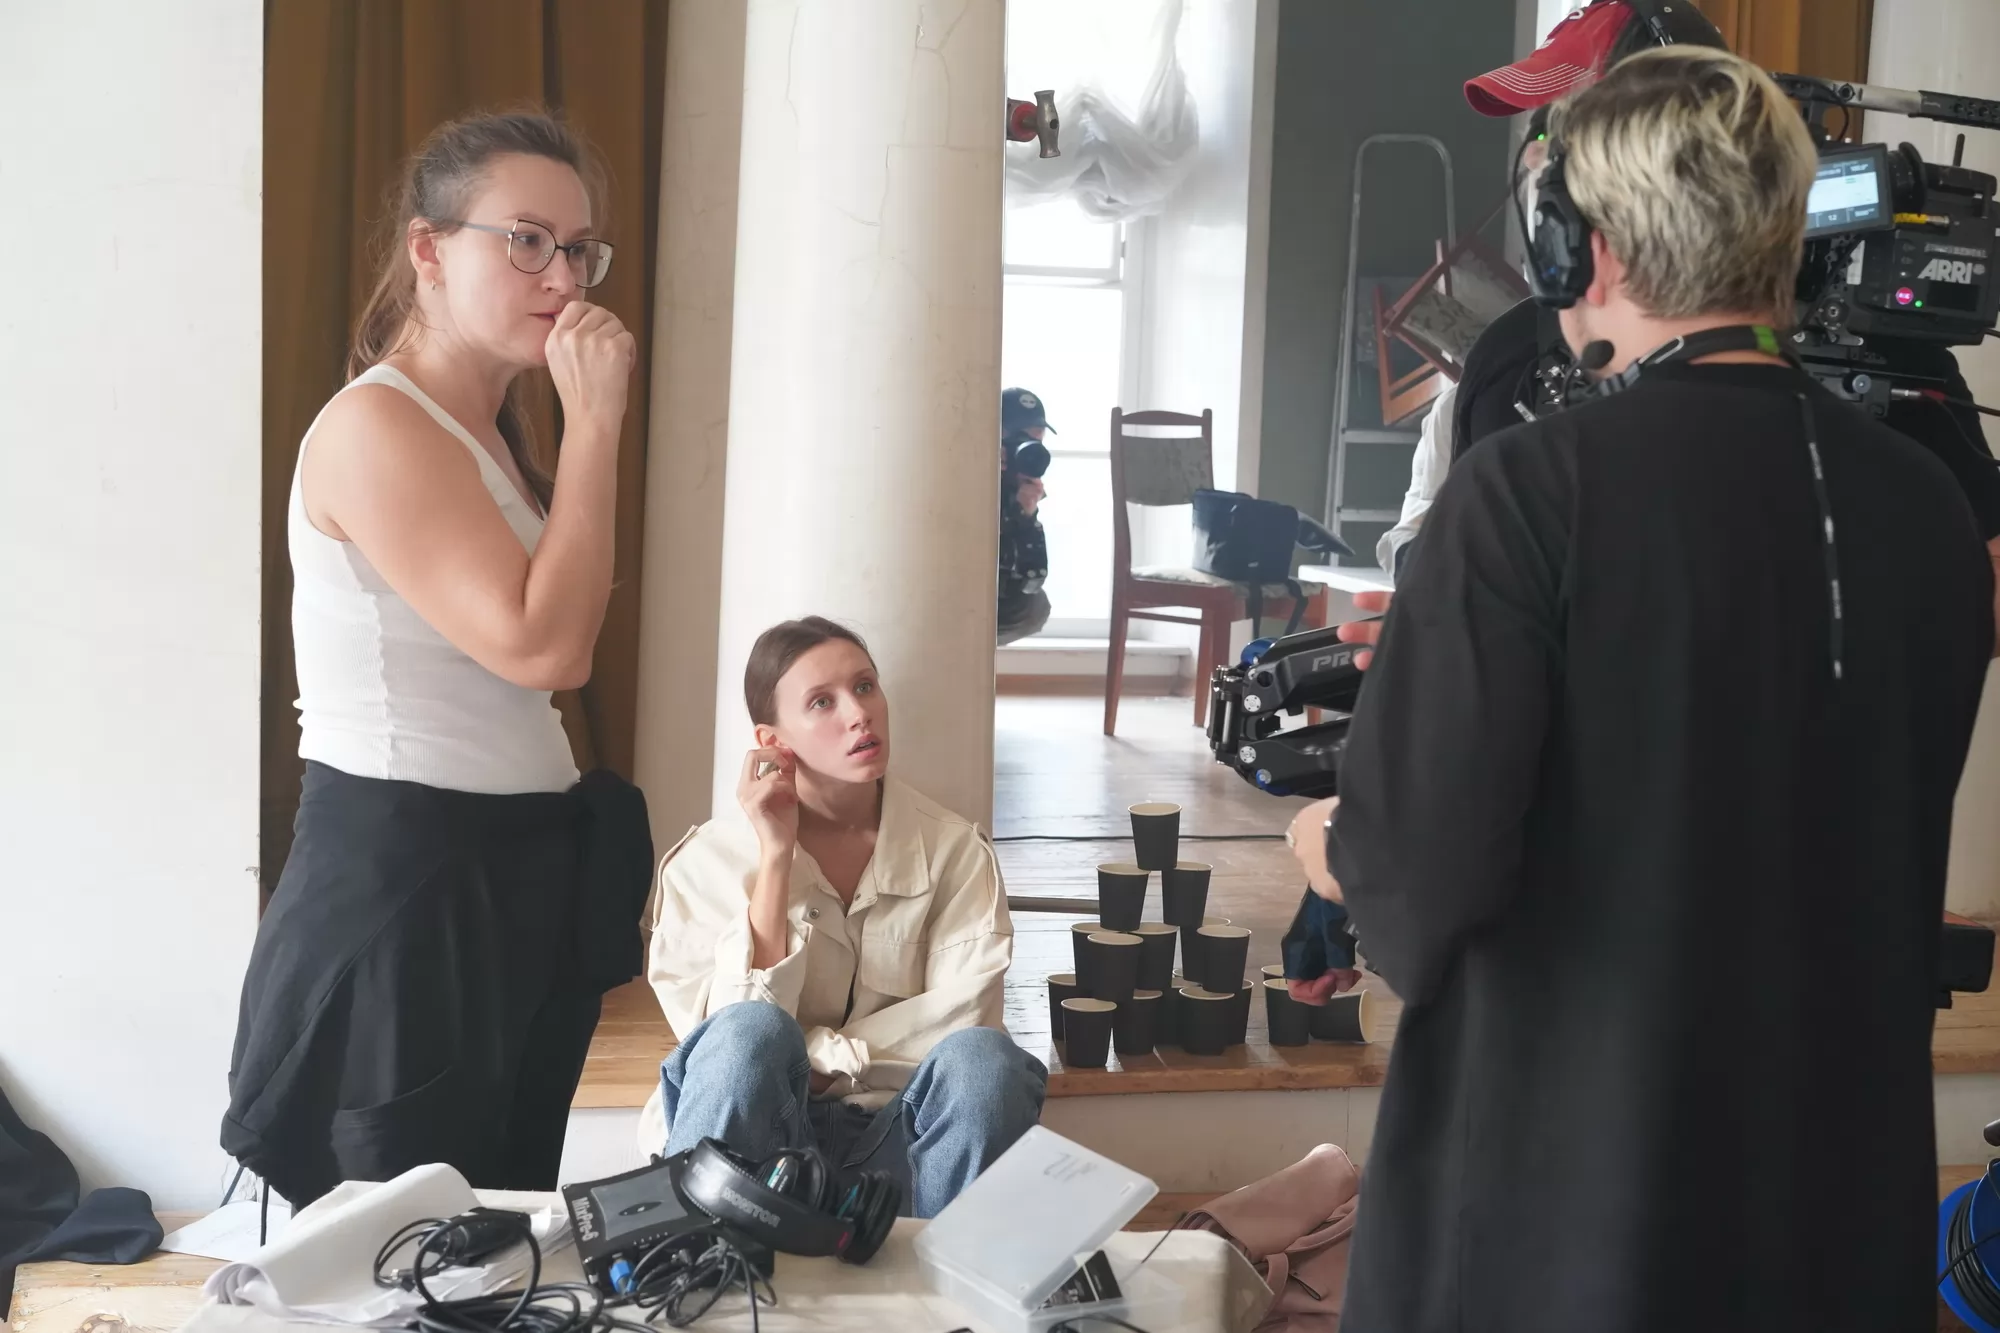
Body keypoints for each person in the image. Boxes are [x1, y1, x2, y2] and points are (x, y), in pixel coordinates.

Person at [1306, 49, 1994, 1329]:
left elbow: (1418, 885)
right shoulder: (1927, 507)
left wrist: (1328, 841)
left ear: (1590, 249)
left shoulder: (1527, 490)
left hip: (1574, 1199)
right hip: (1832, 1188)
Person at [221, 111, 642, 1206]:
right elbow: (548, 646)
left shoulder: (487, 431)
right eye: (526, 240)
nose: (563, 276)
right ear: (429, 250)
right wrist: (597, 419)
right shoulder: (378, 427)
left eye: (577, 248)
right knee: (397, 1252)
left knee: (487, 1238)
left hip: (501, 883)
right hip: (410, 892)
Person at [641, 617, 1046, 1218]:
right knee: (748, 1032)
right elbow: (721, 1046)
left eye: (864, 686)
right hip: (755, 1148)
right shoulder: (706, 863)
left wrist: (823, 1062)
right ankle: (693, 1255)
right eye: (822, 702)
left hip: (908, 1142)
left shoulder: (956, 851)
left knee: (987, 1062)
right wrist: (775, 855)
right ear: (773, 741)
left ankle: (949, 1272)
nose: (859, 714)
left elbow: (965, 1019)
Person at [998, 387, 1054, 644]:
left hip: (993, 592)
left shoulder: (1021, 486)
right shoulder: (961, 469)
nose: (1028, 449)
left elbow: (1032, 578)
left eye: (1036, 439)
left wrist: (1026, 514)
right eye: (1019, 439)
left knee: (1034, 606)